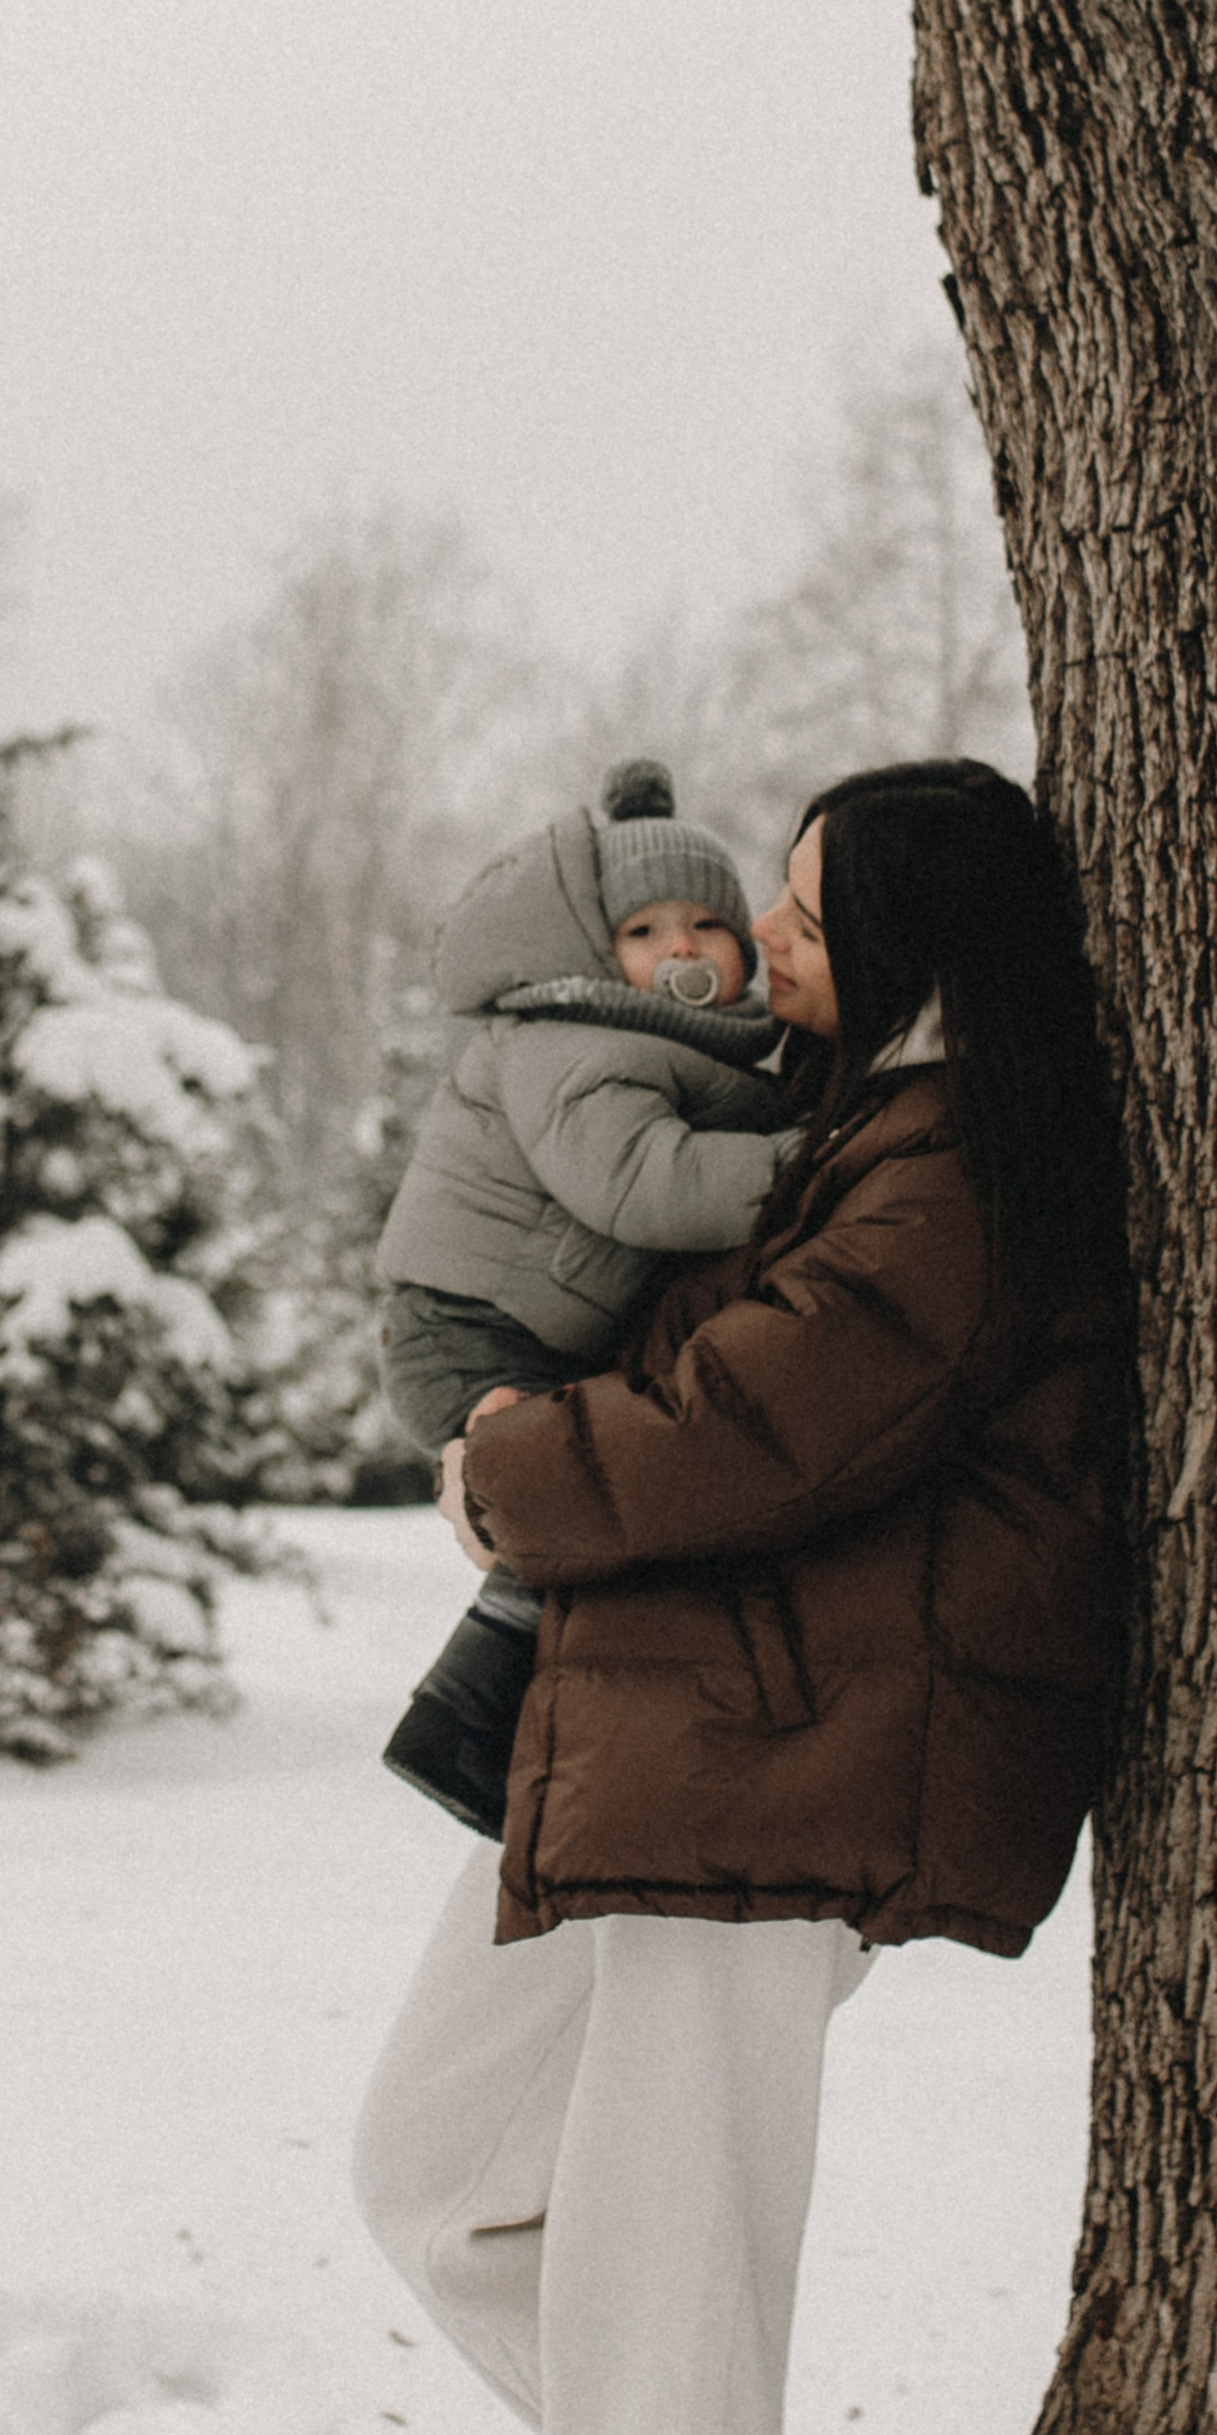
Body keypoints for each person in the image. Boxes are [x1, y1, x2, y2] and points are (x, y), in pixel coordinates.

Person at [352, 758, 1132, 2435]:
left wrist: (505, 1473)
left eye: (800, 911)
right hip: (664, 1734)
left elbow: (763, 1425)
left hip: (799, 1763)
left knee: (657, 2253)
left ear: (904, 941)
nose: (761, 944)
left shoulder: (957, 1162)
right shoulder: (847, 1117)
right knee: (437, 2175)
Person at [375, 757, 812, 1832]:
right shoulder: (574, 1044)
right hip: (471, 1332)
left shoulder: (671, 1045)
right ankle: (468, 1727)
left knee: (586, 1515)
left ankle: (499, 1725)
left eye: (707, 926)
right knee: (565, 1510)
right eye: (645, 931)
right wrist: (806, 1166)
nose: (682, 951)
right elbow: (641, 1184)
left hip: (527, 1324)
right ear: (592, 951)